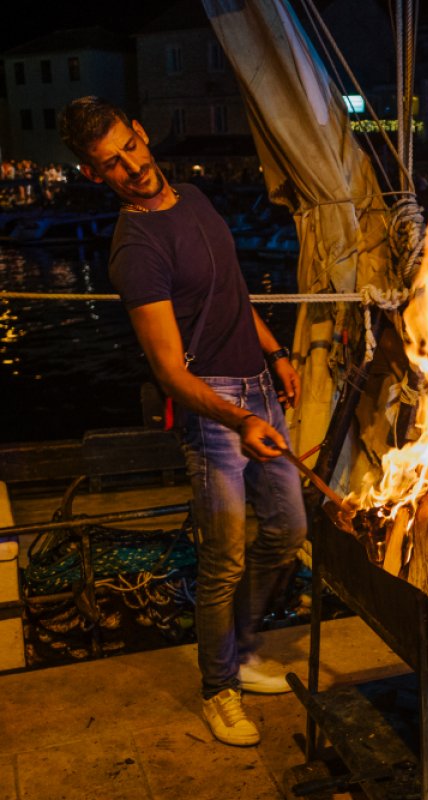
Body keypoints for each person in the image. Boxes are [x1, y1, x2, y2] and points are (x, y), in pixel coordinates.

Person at [58, 97, 307, 747]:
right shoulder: (135, 250)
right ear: (95, 174)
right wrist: (240, 420)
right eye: (111, 163)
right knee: (223, 557)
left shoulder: (193, 197)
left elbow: (233, 291)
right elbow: (171, 374)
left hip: (258, 385)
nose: (131, 166)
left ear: (142, 133)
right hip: (212, 405)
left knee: (288, 529)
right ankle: (218, 689)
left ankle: (242, 649)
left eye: (130, 147)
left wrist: (276, 353)